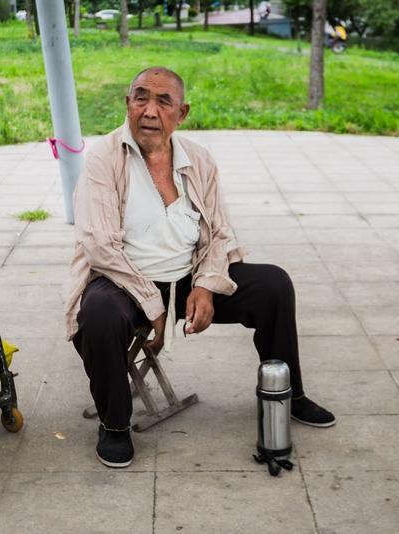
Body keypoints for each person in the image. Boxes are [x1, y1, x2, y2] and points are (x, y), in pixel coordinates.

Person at [63, 66, 335, 469]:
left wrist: (206, 286)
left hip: (187, 278)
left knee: (273, 284)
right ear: (127, 103)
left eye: (164, 101)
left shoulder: (199, 160)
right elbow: (100, 246)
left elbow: (218, 233)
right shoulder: (104, 158)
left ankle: (289, 394)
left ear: (182, 113)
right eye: (141, 97)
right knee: (98, 313)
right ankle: (115, 424)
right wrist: (153, 305)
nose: (150, 110)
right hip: (124, 282)